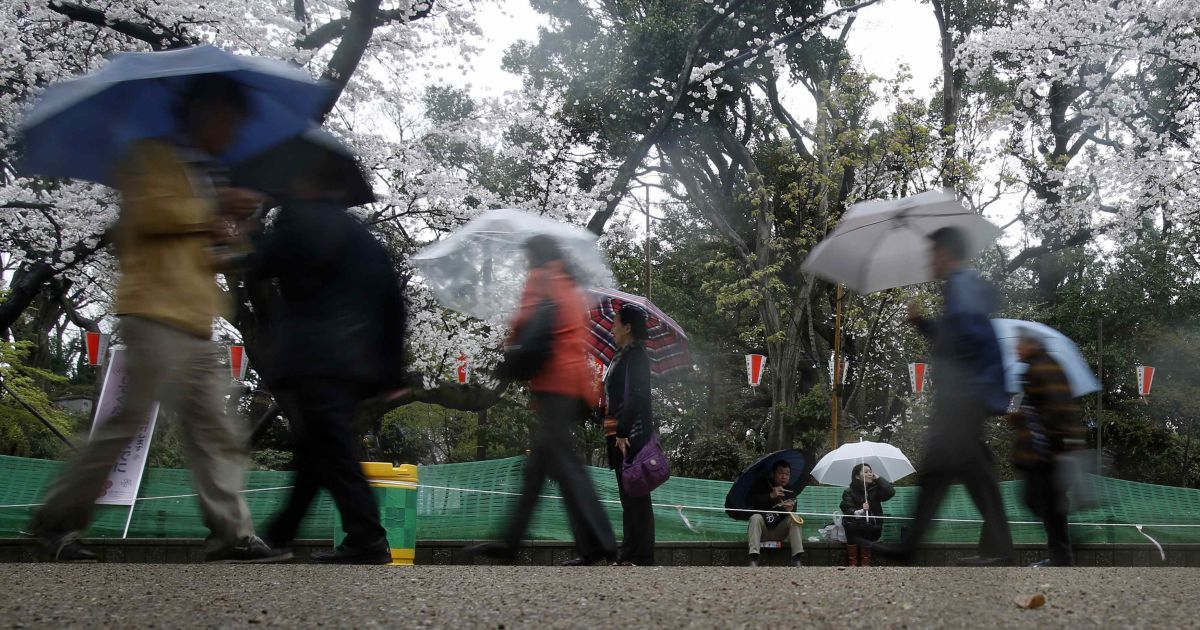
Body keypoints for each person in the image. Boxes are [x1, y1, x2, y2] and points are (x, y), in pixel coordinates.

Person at [30, 74, 285, 563]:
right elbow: (145, 219)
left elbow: (209, 251)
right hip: (151, 310)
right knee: (126, 423)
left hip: (195, 318)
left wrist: (238, 232)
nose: (231, 135)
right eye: (229, 122)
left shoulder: (207, 175)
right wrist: (212, 209)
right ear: (205, 114)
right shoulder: (151, 157)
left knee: (216, 428)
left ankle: (231, 534)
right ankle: (55, 523)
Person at [246, 157, 408, 564]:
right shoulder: (362, 237)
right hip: (354, 360)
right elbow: (394, 304)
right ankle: (282, 535)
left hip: (316, 354)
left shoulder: (300, 221)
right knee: (316, 447)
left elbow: (260, 264)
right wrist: (388, 367)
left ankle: (367, 538)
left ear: (311, 180)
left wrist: (251, 228)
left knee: (328, 446)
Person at [464, 235, 618, 566]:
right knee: (543, 470)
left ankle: (601, 542)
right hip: (571, 384)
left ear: (536, 255)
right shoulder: (569, 284)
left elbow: (525, 323)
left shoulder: (542, 278)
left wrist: (510, 344)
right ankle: (517, 543)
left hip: (554, 382)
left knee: (564, 467)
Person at [873, 226, 1014, 566]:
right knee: (966, 471)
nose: (928, 261)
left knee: (944, 468)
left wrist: (960, 390)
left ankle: (911, 548)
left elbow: (965, 339)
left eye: (931, 254)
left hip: (963, 396)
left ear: (945, 252)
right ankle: (998, 549)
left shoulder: (962, 286)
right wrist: (923, 323)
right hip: (969, 394)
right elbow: (959, 335)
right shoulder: (961, 287)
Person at [1009, 329, 1080, 567]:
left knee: (1041, 502)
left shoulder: (1044, 367)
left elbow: (1056, 407)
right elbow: (1041, 408)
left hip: (1046, 452)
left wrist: (1056, 442)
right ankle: (1061, 554)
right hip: (1044, 450)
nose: (1015, 349)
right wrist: (1020, 417)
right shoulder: (1036, 368)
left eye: (1019, 344)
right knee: (1048, 504)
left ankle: (1061, 553)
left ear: (1030, 345)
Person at [603, 304, 656, 566]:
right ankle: (630, 552)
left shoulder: (637, 356)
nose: (611, 328)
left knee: (636, 495)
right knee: (629, 496)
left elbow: (637, 397)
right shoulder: (619, 356)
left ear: (628, 327)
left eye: (615, 323)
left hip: (630, 435)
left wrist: (623, 432)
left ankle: (640, 555)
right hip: (617, 434)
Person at [746, 460, 804, 567]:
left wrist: (790, 510)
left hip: (779, 530)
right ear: (773, 474)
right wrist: (770, 496)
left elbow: (792, 510)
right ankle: (753, 558)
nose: (784, 476)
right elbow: (752, 502)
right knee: (755, 517)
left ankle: (796, 558)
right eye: (781, 473)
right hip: (763, 530)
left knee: (795, 517)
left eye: (787, 474)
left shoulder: (791, 490)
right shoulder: (762, 485)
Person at [839, 463, 895, 567]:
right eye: (865, 472)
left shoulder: (875, 489)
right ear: (857, 476)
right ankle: (853, 564)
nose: (870, 474)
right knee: (851, 524)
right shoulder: (849, 492)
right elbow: (847, 508)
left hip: (871, 527)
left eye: (870, 471)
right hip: (854, 527)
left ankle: (866, 564)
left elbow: (891, 492)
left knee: (867, 526)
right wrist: (860, 511)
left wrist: (878, 479)